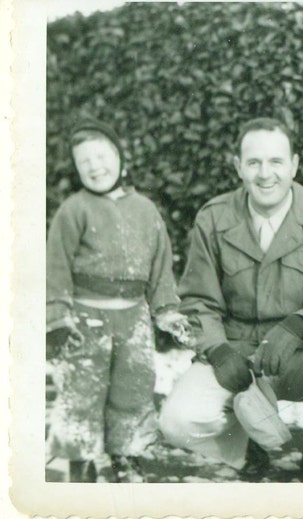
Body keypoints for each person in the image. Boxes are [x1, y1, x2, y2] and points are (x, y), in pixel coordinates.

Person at [158, 117, 303, 483]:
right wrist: (217, 350)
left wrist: (302, 324)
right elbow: (198, 299)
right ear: (238, 167)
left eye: (276, 162)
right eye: (254, 162)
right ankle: (246, 450)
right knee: (176, 422)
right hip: (237, 358)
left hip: (300, 356)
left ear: (294, 165)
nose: (266, 174)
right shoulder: (213, 219)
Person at [46, 116, 192, 483]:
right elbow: (56, 269)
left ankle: (128, 454)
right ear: (77, 170)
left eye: (101, 156)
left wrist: (167, 310)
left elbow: (160, 268)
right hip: (85, 318)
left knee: (134, 388)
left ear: (120, 158)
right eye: (84, 162)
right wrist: (57, 319)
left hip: (134, 320)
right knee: (82, 392)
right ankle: (79, 460)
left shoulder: (146, 210)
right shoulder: (73, 210)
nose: (95, 166)